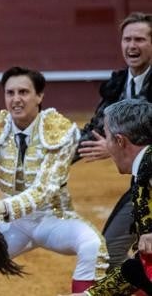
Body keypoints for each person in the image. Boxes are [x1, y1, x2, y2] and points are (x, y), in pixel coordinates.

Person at [0, 66, 108, 294]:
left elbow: (44, 189)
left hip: (53, 219)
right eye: (10, 93)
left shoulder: (60, 131)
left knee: (92, 246)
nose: (16, 100)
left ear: (39, 96)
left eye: (23, 92)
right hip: (12, 225)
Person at [76, 12, 152, 270]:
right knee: (111, 252)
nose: (132, 46)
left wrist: (115, 146)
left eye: (140, 39)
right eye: (127, 39)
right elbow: (95, 130)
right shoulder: (118, 84)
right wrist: (54, 155)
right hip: (144, 185)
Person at [64, 99, 152, 296]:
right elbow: (140, 269)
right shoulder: (142, 171)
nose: (106, 146)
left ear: (120, 141)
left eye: (108, 137)